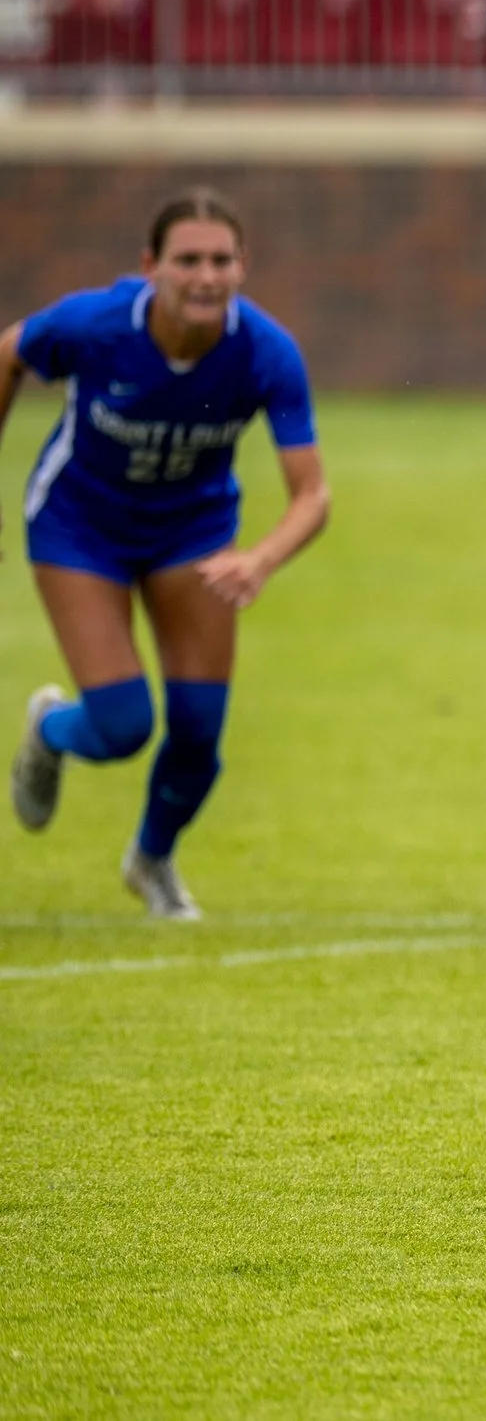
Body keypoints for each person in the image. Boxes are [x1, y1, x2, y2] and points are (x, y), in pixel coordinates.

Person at [5, 190, 330, 918]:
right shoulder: (94, 326)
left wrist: (261, 559)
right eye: (188, 260)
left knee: (198, 730)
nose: (205, 276)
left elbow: (312, 494)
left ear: (243, 266)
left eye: (221, 260)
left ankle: (151, 860)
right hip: (78, 525)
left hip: (193, 534)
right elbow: (11, 351)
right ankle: (52, 730)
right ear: (150, 266)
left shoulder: (266, 352)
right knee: (122, 726)